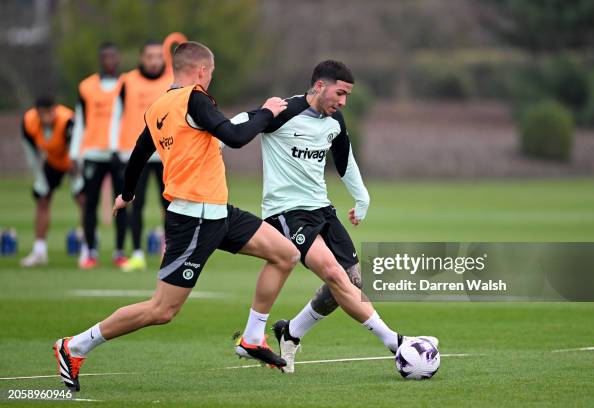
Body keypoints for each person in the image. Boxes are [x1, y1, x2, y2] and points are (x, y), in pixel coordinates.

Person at [53, 41, 299, 392]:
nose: (209, 80)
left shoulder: (158, 107)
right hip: (194, 219)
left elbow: (139, 153)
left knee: (285, 254)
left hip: (218, 212)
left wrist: (126, 194)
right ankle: (74, 346)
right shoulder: (194, 98)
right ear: (201, 71)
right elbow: (235, 135)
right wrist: (267, 112)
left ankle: (252, 338)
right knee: (161, 310)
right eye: (210, 73)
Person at [233, 60, 438, 373]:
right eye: (340, 93)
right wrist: (207, 139)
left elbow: (345, 160)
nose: (343, 101)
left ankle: (291, 332)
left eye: (347, 96)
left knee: (351, 280)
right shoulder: (282, 112)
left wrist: (362, 196)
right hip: (287, 212)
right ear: (319, 86)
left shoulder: (335, 121)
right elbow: (233, 127)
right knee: (333, 273)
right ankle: (396, 343)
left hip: (322, 209)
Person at [116, 33, 187, 272]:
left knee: (169, 204)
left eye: (159, 56)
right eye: (150, 56)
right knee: (136, 202)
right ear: (141, 58)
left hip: (167, 152)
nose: (155, 60)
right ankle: (136, 253)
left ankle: (169, 250)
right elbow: (117, 115)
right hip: (136, 152)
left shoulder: (172, 80)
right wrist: (115, 145)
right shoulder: (127, 81)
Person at [69, 42, 128, 269]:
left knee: (123, 202)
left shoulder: (127, 84)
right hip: (93, 152)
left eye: (113, 57)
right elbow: (80, 121)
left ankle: (120, 251)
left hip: (120, 154)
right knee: (89, 203)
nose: (110, 62)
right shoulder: (86, 86)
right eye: (106, 58)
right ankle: (90, 250)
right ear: (100, 60)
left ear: (119, 60)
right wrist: (75, 153)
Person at [20, 97, 83, 266]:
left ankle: (88, 248)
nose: (46, 118)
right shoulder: (29, 122)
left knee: (84, 200)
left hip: (73, 160)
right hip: (53, 161)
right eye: (42, 114)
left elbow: (76, 148)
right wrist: (39, 178)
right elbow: (31, 154)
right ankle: (39, 250)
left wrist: (77, 177)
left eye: (49, 113)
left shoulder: (67, 120)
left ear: (55, 110)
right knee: (42, 199)